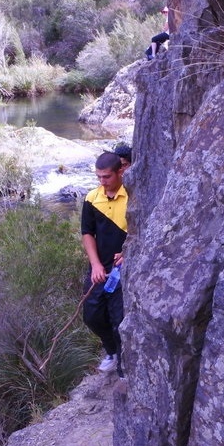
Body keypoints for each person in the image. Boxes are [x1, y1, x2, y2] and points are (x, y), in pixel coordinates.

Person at [81, 152, 128, 375]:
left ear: (120, 171)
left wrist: (129, 253)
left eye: (106, 176)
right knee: (91, 316)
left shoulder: (132, 196)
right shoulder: (92, 198)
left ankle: (123, 367)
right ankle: (111, 351)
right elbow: (87, 233)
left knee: (120, 319)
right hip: (99, 267)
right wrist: (96, 265)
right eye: (99, 177)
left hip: (123, 268)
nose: (102, 181)